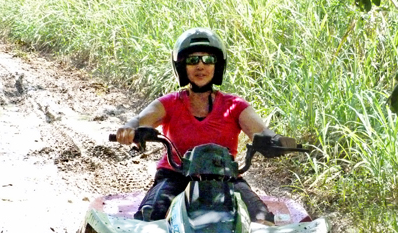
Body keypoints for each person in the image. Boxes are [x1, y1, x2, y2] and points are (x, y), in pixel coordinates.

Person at [115, 27, 296, 222]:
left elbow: (261, 131)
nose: (200, 66)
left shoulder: (234, 105)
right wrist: (130, 128)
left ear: (217, 66)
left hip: (225, 177)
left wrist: (275, 142)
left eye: (208, 60)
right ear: (182, 67)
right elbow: (141, 119)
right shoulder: (170, 102)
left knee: (261, 218)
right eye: (193, 60)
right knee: (150, 215)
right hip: (175, 175)